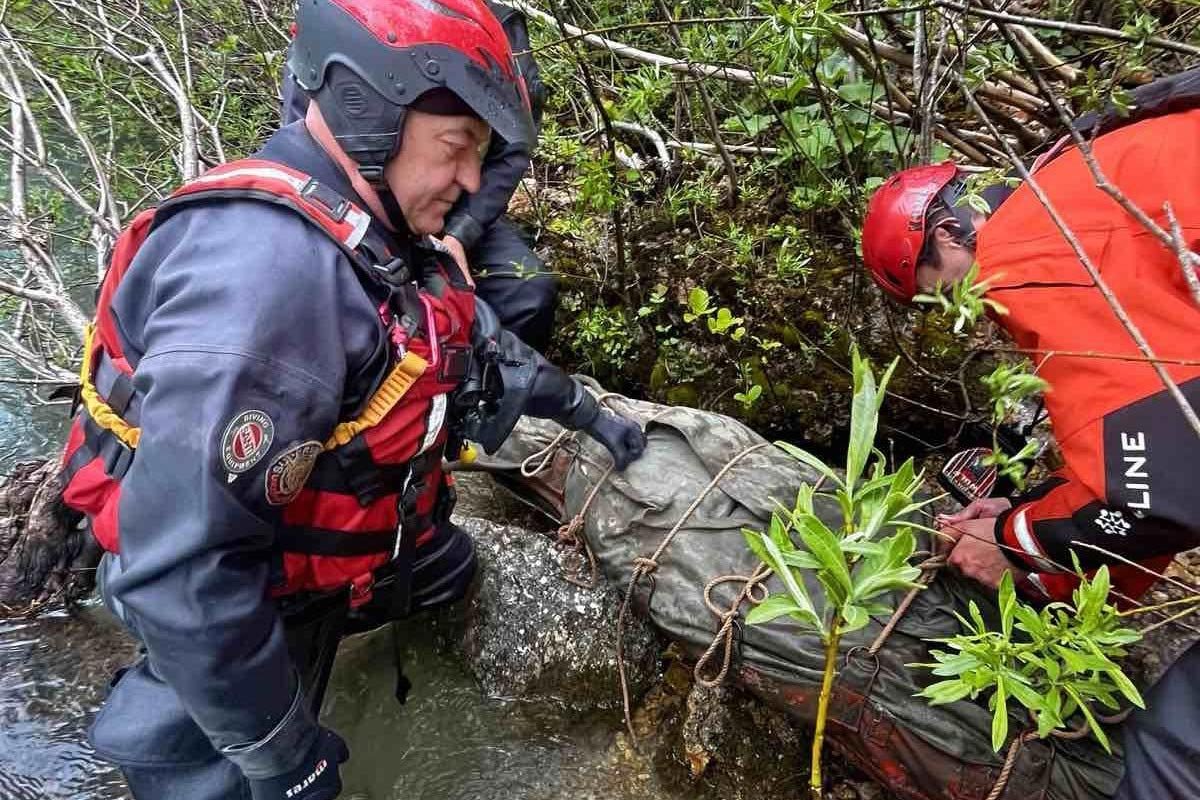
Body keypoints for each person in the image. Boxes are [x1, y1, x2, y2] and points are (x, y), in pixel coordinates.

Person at [57, 1, 645, 798]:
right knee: (221, 764)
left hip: (340, 542)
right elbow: (183, 575)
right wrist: (284, 759)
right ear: (371, 111)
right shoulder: (272, 286)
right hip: (235, 584)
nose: (474, 180)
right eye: (458, 148)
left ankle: (390, 575)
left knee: (449, 568)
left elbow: (477, 348)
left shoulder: (377, 232)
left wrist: (591, 414)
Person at [861, 107, 1200, 800]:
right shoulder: (1067, 178)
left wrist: (1016, 544)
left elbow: (1153, 494)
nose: (969, 316)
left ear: (951, 233)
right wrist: (1039, 522)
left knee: (1169, 752)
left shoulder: (1023, 263)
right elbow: (1159, 430)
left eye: (948, 294)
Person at [281, 1, 556, 351]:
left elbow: (511, 150)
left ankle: (493, 391)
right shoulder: (345, 19)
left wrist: (461, 232)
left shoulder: (497, 23)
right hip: (361, 203)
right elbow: (310, 133)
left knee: (526, 290)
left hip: (458, 204)